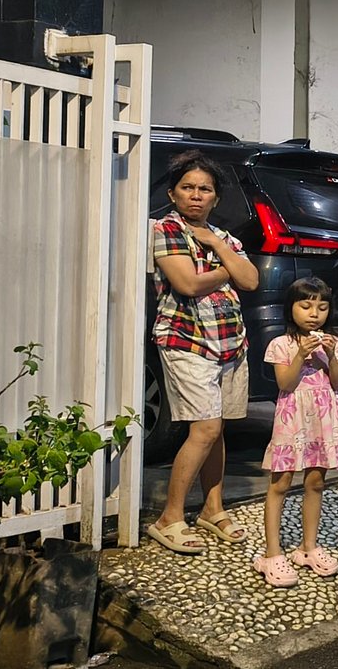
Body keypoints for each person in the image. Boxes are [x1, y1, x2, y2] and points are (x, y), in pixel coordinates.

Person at [145, 151, 261, 555]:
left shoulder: (223, 238)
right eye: (188, 188)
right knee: (205, 429)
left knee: (220, 428)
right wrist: (229, 268)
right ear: (174, 193)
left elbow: (251, 279)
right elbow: (187, 284)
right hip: (186, 340)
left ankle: (213, 508)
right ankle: (169, 517)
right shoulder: (167, 229)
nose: (196, 195)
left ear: (215, 198)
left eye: (205, 189)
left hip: (230, 342)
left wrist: (215, 245)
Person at [255, 278, 338, 588]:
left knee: (316, 481)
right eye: (306, 306)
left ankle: (308, 547)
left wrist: (332, 355)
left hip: (322, 421)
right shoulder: (280, 344)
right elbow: (285, 383)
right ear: (291, 308)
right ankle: (272, 552)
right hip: (292, 419)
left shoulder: (334, 342)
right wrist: (300, 355)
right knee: (280, 482)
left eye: (322, 307)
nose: (314, 314)